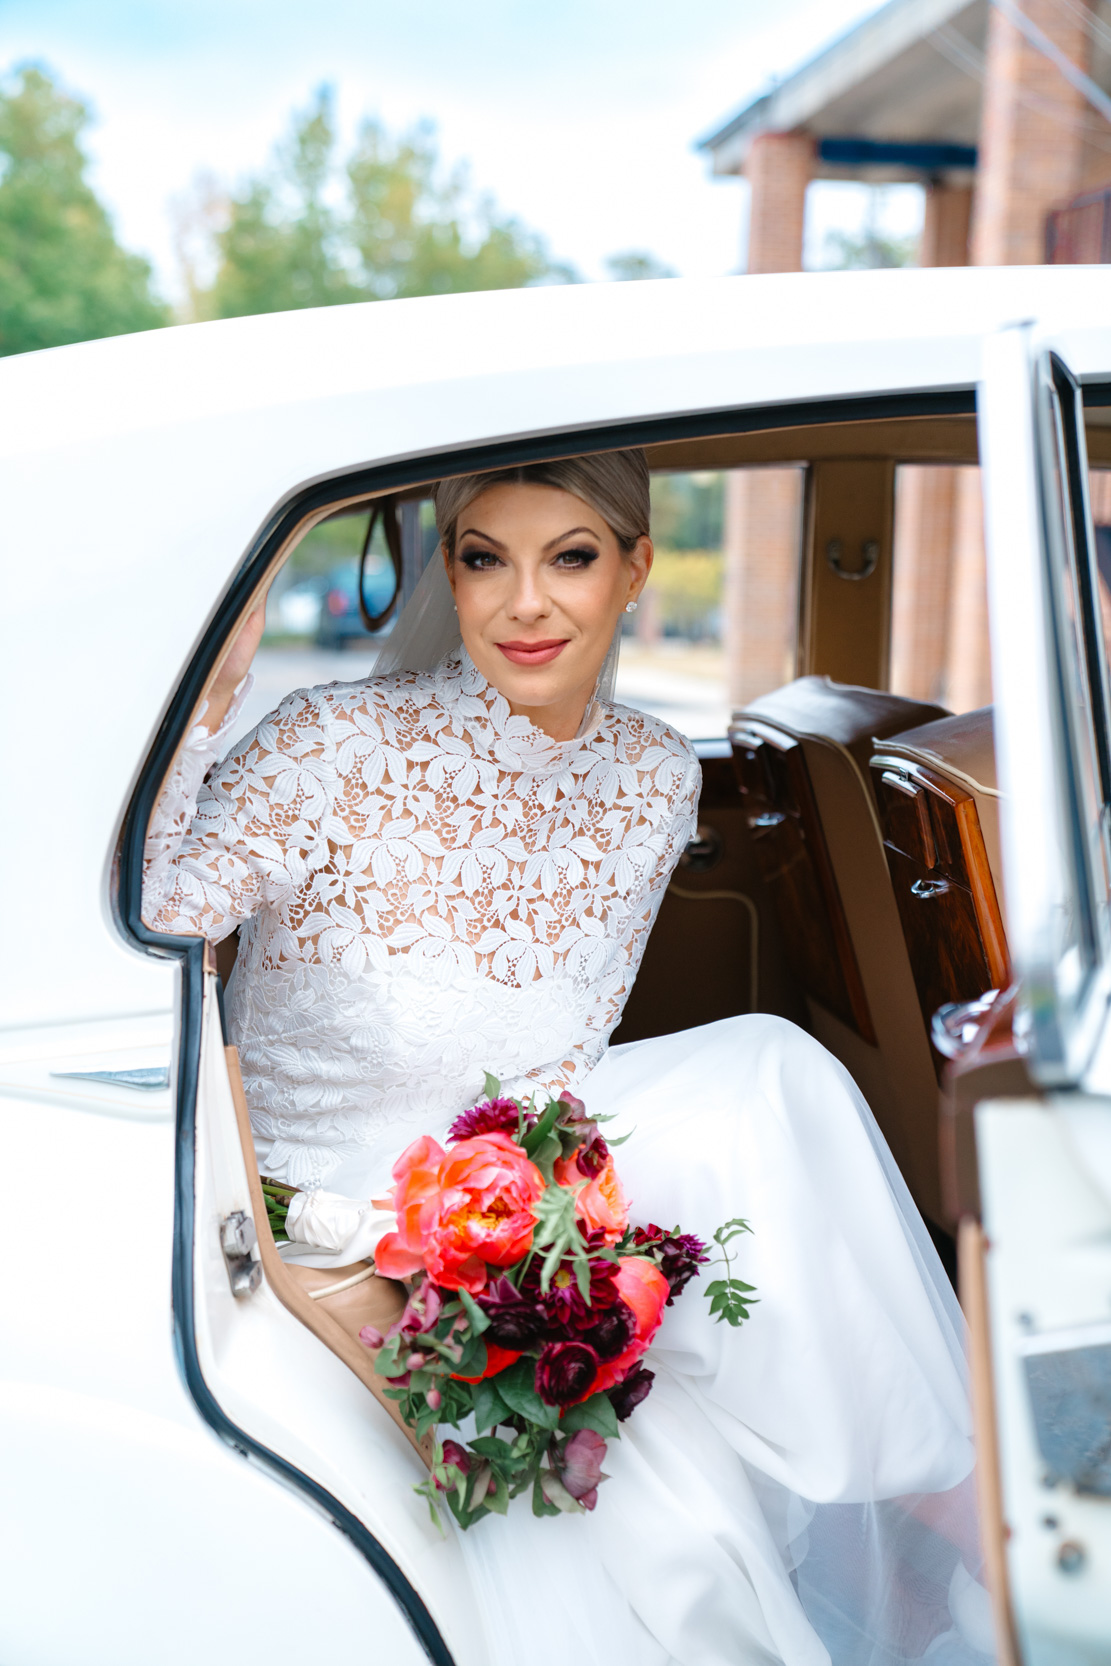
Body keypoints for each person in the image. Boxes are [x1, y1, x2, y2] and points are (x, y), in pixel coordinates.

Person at [143, 450, 994, 1666]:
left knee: (770, 1071)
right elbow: (157, 914)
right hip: (308, 1217)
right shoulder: (328, 741)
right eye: (486, 559)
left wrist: (549, 1242)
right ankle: (950, 1512)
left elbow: (562, 1062)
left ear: (637, 569)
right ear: (451, 570)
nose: (524, 603)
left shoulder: (651, 775)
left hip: (507, 1200)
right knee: (653, 1555)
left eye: (572, 558)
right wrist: (211, 697)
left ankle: (936, 1500)